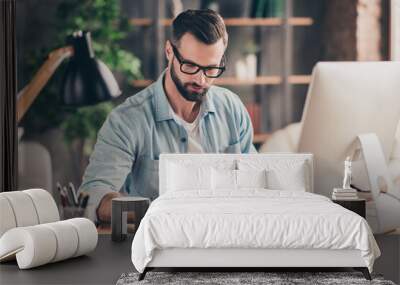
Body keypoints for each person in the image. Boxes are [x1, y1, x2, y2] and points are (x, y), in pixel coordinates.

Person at [79, 9, 257, 223]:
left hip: (227, 235)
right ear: (169, 51)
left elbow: (254, 179)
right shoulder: (127, 120)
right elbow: (92, 197)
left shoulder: (232, 108)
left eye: (211, 69)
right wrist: (157, 212)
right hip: (159, 244)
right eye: (190, 65)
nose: (201, 80)